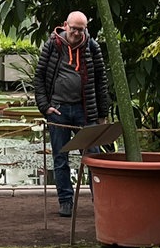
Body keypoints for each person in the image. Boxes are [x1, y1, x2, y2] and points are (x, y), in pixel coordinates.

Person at [34, 11, 110, 217]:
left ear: (85, 29)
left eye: (81, 29)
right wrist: (45, 107)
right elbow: (39, 77)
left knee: (94, 156)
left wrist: (102, 113)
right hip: (58, 110)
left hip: (85, 111)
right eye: (73, 28)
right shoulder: (52, 45)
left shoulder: (92, 47)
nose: (76, 33)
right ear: (65, 25)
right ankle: (65, 201)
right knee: (60, 158)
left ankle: (101, 200)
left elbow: (101, 81)